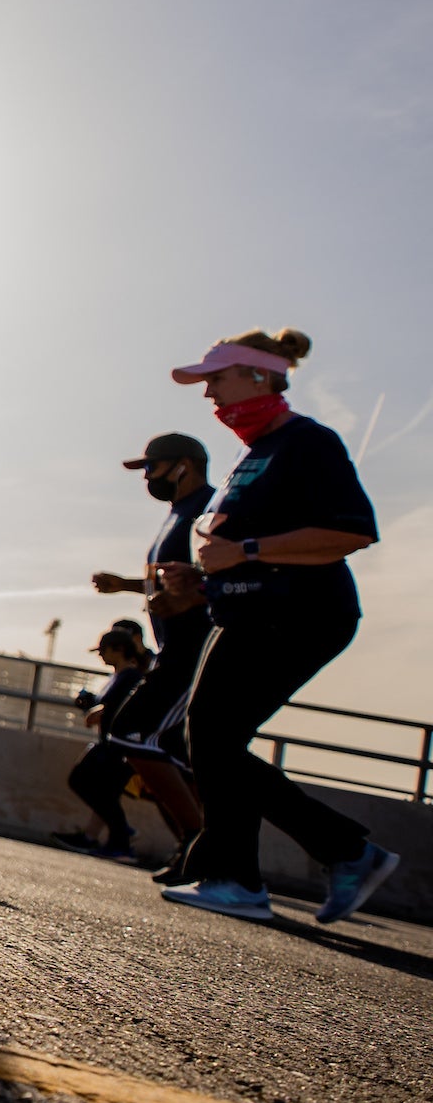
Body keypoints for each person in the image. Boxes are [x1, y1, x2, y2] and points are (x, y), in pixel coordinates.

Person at [157, 330, 400, 926]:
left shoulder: (308, 442)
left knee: (209, 736)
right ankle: (340, 853)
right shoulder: (256, 453)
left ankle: (248, 877)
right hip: (245, 611)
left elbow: (351, 533)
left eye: (217, 379)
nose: (209, 393)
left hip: (300, 615)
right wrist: (202, 578)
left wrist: (246, 551)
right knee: (207, 740)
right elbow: (243, 551)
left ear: (260, 377)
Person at [91, 431, 214, 882]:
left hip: (195, 650)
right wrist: (123, 585)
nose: (146, 477)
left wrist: (193, 601)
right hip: (173, 649)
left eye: (151, 467)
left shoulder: (209, 510)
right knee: (184, 756)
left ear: (184, 464)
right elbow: (168, 583)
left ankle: (204, 843)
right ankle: (203, 845)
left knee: (130, 734)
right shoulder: (177, 514)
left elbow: (224, 574)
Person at [55, 621, 154, 863]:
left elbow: (117, 709)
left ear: (118, 649)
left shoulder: (130, 676)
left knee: (83, 781)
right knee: (103, 792)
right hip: (113, 745)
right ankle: (119, 838)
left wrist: (97, 711)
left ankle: (121, 835)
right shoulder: (120, 676)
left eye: (103, 651)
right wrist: (90, 703)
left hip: (119, 747)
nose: (100, 655)